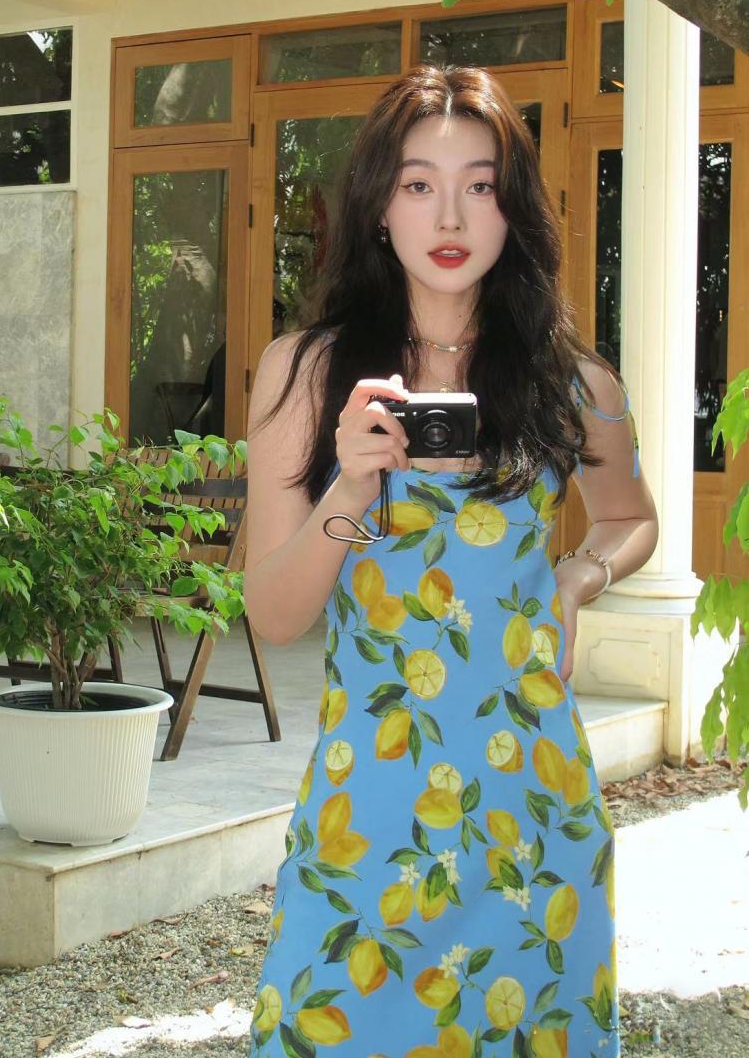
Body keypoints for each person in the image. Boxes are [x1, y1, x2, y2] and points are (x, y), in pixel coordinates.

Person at [243, 65, 658, 1057]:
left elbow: (629, 518)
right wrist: (350, 490)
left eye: (480, 185)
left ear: (514, 207)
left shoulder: (572, 380)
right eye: (418, 183)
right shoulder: (306, 372)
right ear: (378, 206)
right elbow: (275, 615)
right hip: (370, 808)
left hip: (532, 806)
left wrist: (578, 578)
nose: (450, 216)